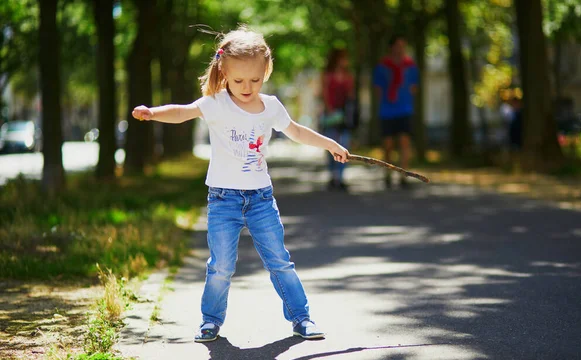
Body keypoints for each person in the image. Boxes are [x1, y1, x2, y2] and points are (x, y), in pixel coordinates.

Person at [132, 27, 349, 342]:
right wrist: (153, 113)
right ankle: (210, 321)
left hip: (261, 200)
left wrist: (330, 144)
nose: (247, 87)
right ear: (224, 72)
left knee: (280, 261)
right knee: (221, 266)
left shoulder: (271, 106)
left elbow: (298, 131)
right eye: (238, 81)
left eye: (255, 80)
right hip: (223, 201)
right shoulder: (216, 103)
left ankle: (302, 318)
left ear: (266, 71)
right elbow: (182, 112)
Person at [373, 35, 419, 189]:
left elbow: (413, 87)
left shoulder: (410, 66)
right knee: (388, 145)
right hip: (387, 110)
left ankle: (403, 176)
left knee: (405, 142)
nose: (400, 49)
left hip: (404, 110)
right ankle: (388, 174)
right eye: (398, 46)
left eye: (403, 46)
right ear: (391, 47)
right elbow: (378, 89)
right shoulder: (382, 66)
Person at [321, 48, 354, 191]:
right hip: (330, 115)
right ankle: (332, 175)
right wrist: (329, 109)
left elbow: (351, 95)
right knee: (330, 145)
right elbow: (324, 93)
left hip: (344, 115)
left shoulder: (348, 76)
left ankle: (340, 177)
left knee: (344, 145)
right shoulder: (327, 75)